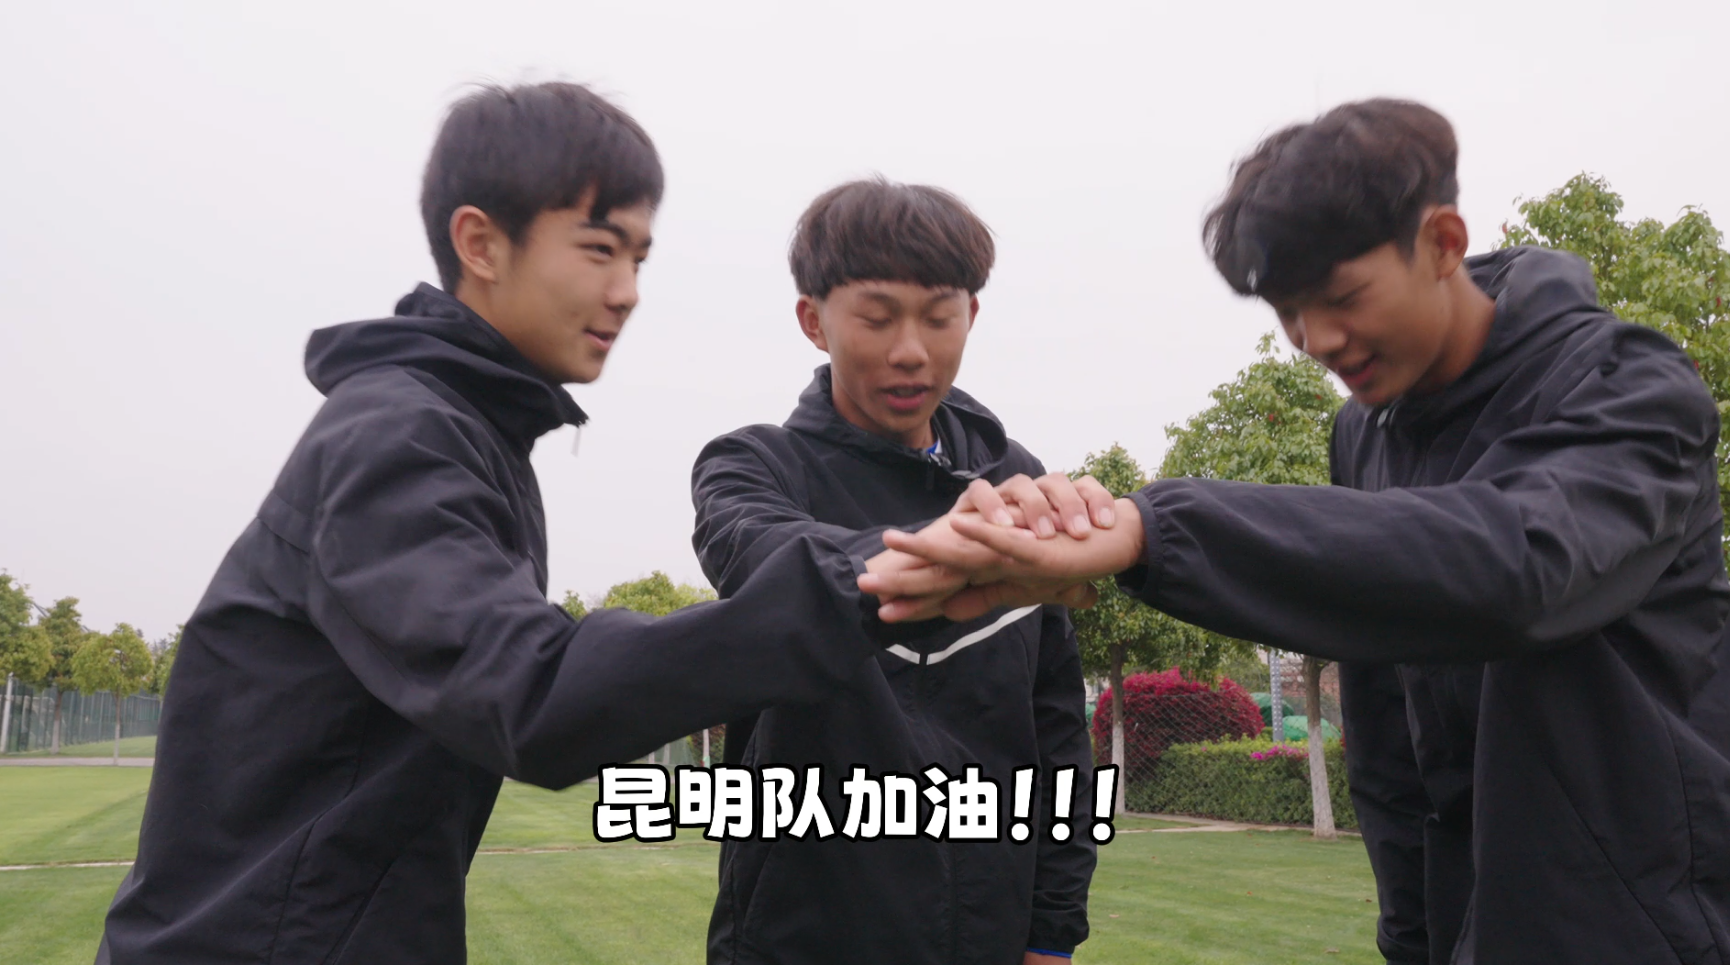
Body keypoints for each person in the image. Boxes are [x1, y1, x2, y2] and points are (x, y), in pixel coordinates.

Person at [862, 99, 1730, 964]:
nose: (1316, 340)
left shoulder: (1631, 389)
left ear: (1443, 243)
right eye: (1288, 311)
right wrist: (1411, 936)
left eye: (1342, 297)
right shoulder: (1366, 429)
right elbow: (1387, 727)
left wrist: (1149, 529)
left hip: (1645, 927)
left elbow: (1515, 563)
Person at [97, 82, 894, 965]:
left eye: (639, 259)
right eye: (599, 250)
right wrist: (877, 577)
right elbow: (536, 694)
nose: (626, 292)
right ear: (480, 243)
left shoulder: (465, 433)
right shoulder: (396, 437)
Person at [690, 179, 1097, 965]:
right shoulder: (753, 465)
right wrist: (960, 544)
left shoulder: (1015, 478)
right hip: (796, 940)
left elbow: (1056, 728)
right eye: (877, 318)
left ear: (971, 315)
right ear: (814, 320)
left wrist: (1053, 931)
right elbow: (770, 561)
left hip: (988, 937)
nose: (911, 350)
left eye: (939, 317)